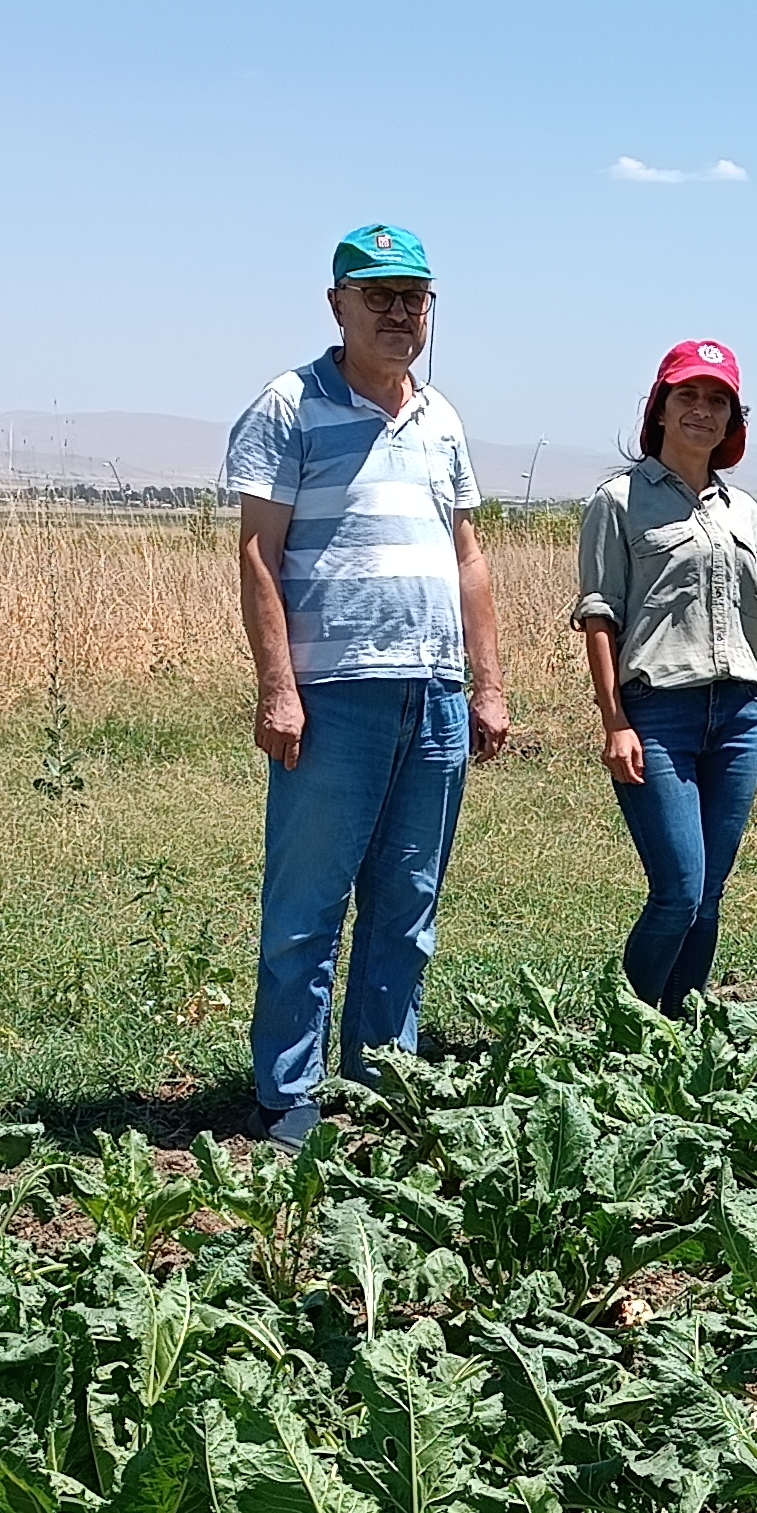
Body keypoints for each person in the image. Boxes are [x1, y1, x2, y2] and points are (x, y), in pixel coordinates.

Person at [223, 223, 511, 1147]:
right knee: (309, 903)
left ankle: (382, 1080)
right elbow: (258, 555)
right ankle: (289, 1091)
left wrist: (488, 685)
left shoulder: (443, 419)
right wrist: (279, 686)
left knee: (408, 899)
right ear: (337, 304)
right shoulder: (288, 406)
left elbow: (468, 558)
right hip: (335, 691)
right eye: (378, 295)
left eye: (414, 297)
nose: (399, 313)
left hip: (431, 691)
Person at [573, 339, 757, 1013]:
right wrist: (616, 723)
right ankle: (632, 1024)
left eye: (717, 399)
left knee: (712, 893)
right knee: (680, 890)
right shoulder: (617, 502)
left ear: (734, 421)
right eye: (687, 396)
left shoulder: (745, 512)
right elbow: (599, 615)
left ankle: (682, 1030)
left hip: (739, 717)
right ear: (660, 410)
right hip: (657, 716)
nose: (702, 410)